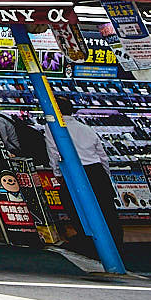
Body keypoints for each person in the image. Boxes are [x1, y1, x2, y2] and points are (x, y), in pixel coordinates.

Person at [57, 98, 122, 252]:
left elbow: (54, 153)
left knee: (76, 208)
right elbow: (102, 155)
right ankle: (116, 242)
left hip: (74, 171)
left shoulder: (53, 127)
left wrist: (57, 173)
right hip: (96, 171)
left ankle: (87, 241)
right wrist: (106, 175)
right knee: (107, 210)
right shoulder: (86, 128)